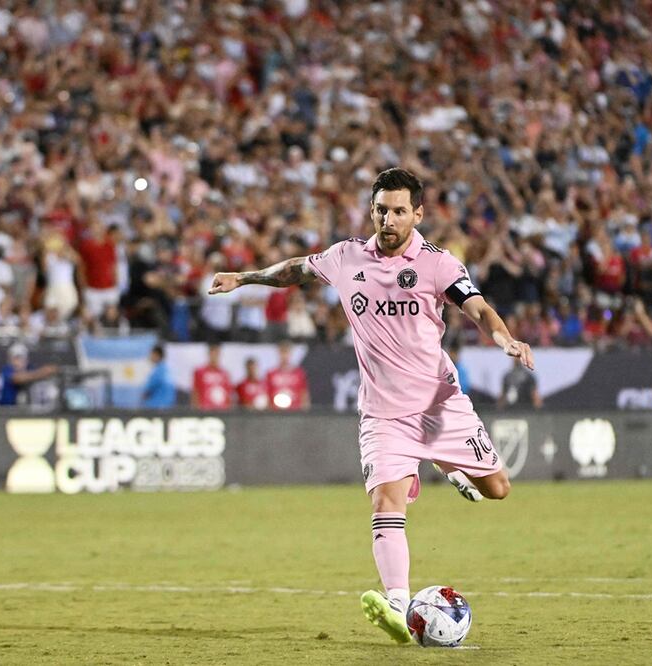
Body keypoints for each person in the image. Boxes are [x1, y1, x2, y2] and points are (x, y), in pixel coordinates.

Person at [208, 168, 534, 644]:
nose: (389, 218)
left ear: (417, 214)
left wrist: (504, 338)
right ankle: (398, 605)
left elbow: (478, 307)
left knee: (498, 489)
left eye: (400, 210)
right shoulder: (346, 257)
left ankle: (450, 466)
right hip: (383, 413)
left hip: (440, 406)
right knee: (386, 502)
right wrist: (244, 278)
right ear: (372, 210)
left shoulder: (438, 264)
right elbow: (296, 270)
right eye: (382, 209)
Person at [264, 341, 310, 410]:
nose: (284, 356)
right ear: (279, 353)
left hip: (295, 411)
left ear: (290, 354)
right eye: (282, 352)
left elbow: (304, 394)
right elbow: (267, 395)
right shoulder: (271, 374)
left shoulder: (299, 373)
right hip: (276, 412)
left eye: (286, 352)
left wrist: (305, 410)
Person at [192, 344, 233, 411]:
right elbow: (195, 392)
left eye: (216, 354)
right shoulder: (200, 372)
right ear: (209, 354)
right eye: (212, 354)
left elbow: (228, 394)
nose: (214, 357)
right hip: (205, 410)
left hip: (222, 410)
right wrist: (195, 409)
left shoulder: (225, 374)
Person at [141, 344, 176, 409]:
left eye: (151, 354)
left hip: (156, 408)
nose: (150, 357)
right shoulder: (167, 370)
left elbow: (147, 391)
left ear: (156, 355)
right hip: (168, 407)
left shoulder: (158, 371)